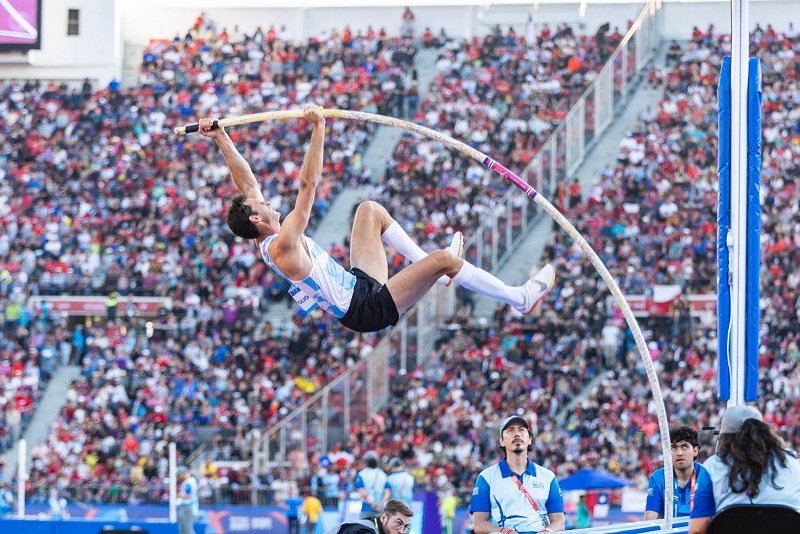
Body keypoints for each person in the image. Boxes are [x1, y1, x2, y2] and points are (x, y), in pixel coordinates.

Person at [198, 108, 555, 334]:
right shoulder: (283, 245)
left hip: (357, 285)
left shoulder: (263, 231)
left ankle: (436, 272)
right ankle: (518, 298)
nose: (265, 198)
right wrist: (318, 127)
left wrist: (221, 137)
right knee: (445, 259)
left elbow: (245, 182)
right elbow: (308, 186)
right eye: (260, 202)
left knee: (370, 210)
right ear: (257, 217)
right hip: (364, 310)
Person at [688, 406, 800, 534]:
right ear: (765, 432)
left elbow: (697, 530)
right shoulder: (794, 464)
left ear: (725, 437)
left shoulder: (712, 467)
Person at [470, 415, 565, 533]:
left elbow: (559, 522)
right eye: (510, 430)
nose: (517, 434)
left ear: (530, 439)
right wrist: (504, 531)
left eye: (521, 430)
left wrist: (547, 531)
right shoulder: (486, 477)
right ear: (502, 441)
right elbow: (479, 525)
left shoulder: (548, 477)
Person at [644, 426, 708, 519]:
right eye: (674, 448)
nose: (679, 453)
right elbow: (650, 520)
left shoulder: (707, 476)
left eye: (684, 447)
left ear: (695, 451)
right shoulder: (658, 478)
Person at [327, 499, 413, 534]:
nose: (401, 531)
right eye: (398, 523)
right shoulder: (362, 530)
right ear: (384, 518)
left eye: (405, 526)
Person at [355, 451, 388, 519]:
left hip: (366, 508)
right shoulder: (383, 474)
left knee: (364, 528)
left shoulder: (361, 474)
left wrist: (372, 504)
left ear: (366, 461)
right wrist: (380, 504)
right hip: (379, 509)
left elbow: (361, 490)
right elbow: (387, 491)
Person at [176, 466, 200, 534]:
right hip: (186, 507)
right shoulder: (188, 481)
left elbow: (186, 495)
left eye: (179, 475)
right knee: (183, 529)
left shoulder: (189, 482)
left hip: (188, 508)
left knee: (187, 529)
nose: (178, 477)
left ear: (183, 473)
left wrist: (177, 496)